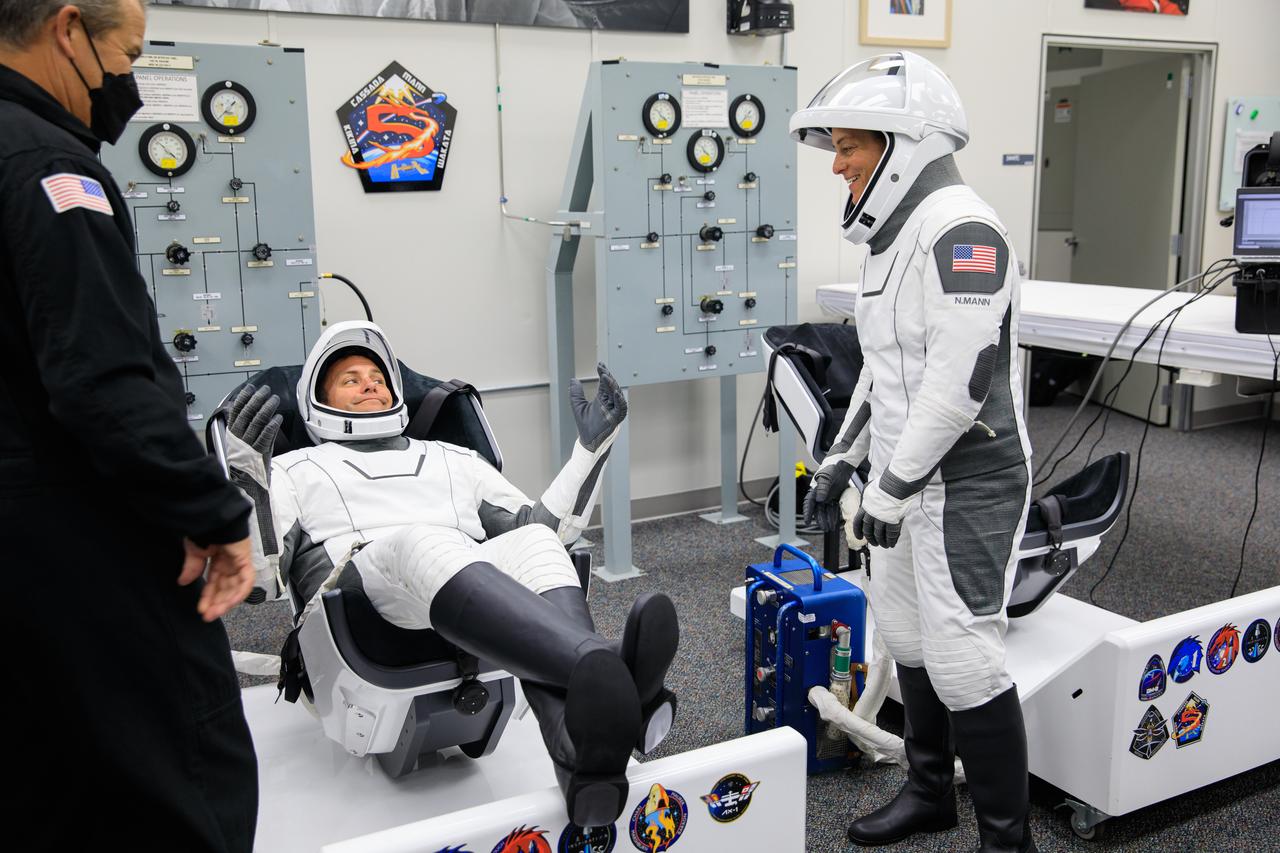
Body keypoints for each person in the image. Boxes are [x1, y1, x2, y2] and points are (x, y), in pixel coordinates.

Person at [224, 320, 679, 827]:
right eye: (350, 379)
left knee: (533, 542)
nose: (370, 383)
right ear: (316, 401)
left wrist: (589, 451)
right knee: (421, 540)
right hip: (362, 596)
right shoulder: (295, 469)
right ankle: (610, 670)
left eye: (377, 376)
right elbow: (262, 582)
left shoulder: (451, 457)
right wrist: (247, 482)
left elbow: (545, 528)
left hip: (465, 593)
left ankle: (580, 754)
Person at [0, 1, 259, 849]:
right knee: (182, 759)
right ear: (68, 29)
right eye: (130, 53)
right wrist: (213, 510)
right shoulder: (48, 165)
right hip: (77, 527)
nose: (131, 84)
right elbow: (102, 380)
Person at [792, 52, 1036, 852]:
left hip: (968, 481)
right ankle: (931, 789)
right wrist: (839, 464)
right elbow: (885, 376)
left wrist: (890, 490)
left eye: (850, 145)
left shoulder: (964, 232)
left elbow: (959, 386)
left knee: (965, 657)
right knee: (904, 633)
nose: (838, 163)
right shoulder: (889, 240)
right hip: (899, 480)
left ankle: (1009, 840)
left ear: (905, 143)